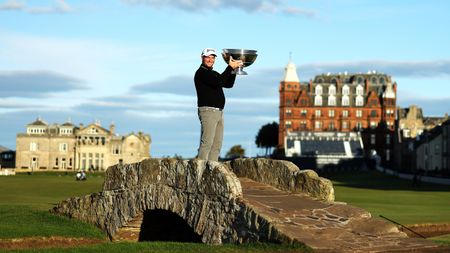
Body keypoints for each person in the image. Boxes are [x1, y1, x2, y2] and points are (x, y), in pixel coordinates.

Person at [194, 48, 242, 161]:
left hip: (219, 112)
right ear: (202, 58)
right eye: (208, 57)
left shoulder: (213, 73)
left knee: (216, 145)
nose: (210, 60)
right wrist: (230, 67)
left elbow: (228, 84)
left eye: (212, 57)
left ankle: (211, 171)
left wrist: (234, 71)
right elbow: (219, 82)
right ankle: (199, 173)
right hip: (208, 111)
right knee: (207, 143)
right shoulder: (201, 73)